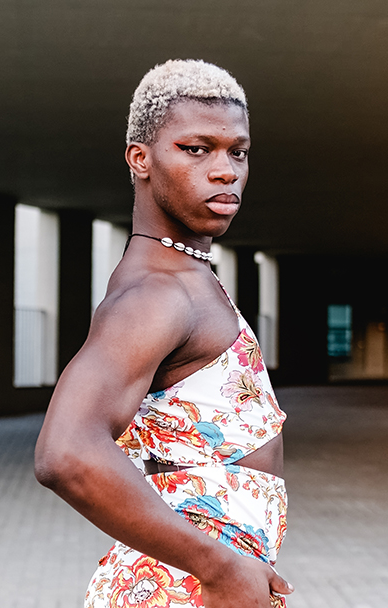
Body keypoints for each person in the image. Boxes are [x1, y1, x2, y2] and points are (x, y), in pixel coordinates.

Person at [35, 59, 292, 608]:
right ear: (141, 159)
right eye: (196, 149)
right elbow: (66, 452)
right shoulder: (158, 294)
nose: (225, 171)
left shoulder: (188, 277)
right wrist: (218, 567)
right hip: (183, 586)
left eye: (238, 152)